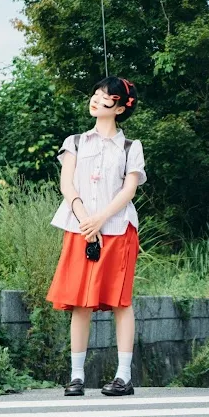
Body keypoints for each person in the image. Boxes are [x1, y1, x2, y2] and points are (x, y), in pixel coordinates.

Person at [46, 77, 146, 397]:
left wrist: (100, 219)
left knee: (121, 301)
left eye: (104, 97)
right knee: (79, 301)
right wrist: (86, 220)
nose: (95, 100)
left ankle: (124, 376)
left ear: (119, 107)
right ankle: (76, 376)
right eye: (95, 94)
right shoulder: (75, 141)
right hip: (79, 228)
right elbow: (67, 185)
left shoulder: (131, 147)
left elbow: (129, 190)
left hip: (118, 229)